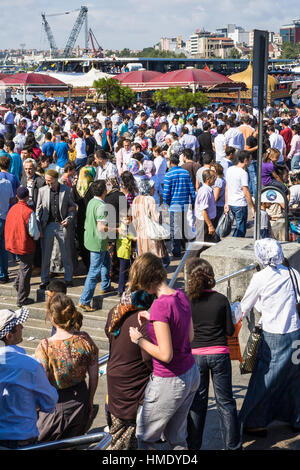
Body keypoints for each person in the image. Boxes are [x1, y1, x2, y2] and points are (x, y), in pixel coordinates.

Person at [128, 253, 200, 450]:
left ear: (146, 280)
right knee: (177, 438)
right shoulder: (181, 296)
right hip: (190, 373)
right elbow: (190, 336)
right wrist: (154, 318)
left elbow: (165, 355)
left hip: (170, 379)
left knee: (146, 437)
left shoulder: (160, 306)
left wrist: (139, 340)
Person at [239, 238, 300, 436]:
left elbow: (244, 306)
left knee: (264, 379)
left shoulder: (260, 278)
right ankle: (295, 418)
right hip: (294, 332)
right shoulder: (292, 273)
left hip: (272, 334)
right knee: (294, 378)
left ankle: (255, 421)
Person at [185, 258, 241, 450]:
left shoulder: (187, 301)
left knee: (197, 404)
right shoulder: (220, 299)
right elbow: (229, 331)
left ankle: (193, 447)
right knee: (225, 402)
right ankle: (232, 446)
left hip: (195, 356)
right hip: (219, 354)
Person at [34, 293, 99, 442]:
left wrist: (36, 408)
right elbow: (94, 376)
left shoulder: (45, 346)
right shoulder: (85, 339)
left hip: (55, 405)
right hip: (81, 399)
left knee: (44, 444)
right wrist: (89, 399)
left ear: (52, 317)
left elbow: (40, 382)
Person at [0, 307, 58, 449]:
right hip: (22, 439)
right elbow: (50, 402)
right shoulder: (30, 365)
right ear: (9, 335)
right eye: (19, 325)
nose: (22, 327)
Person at [105, 289, 154, 450]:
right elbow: (148, 358)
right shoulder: (143, 321)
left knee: (117, 429)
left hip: (115, 376)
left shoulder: (115, 311)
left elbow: (108, 332)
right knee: (127, 435)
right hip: (133, 381)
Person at [36, 169, 76, 290]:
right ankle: (44, 279)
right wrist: (39, 226)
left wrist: (69, 219)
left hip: (61, 225)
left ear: (56, 179)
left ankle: (68, 278)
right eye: (46, 181)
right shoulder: (42, 190)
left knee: (66, 253)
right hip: (47, 225)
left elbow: (73, 207)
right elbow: (38, 209)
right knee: (46, 254)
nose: (47, 183)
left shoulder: (67, 190)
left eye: (50, 181)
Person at [78, 180, 114, 312]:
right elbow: (101, 227)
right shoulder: (102, 206)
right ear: (104, 191)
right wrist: (117, 229)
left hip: (91, 239)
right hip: (98, 242)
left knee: (106, 261)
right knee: (94, 271)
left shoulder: (92, 202)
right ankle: (84, 300)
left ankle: (105, 285)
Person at [5, 186, 40, 307]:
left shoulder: (12, 208)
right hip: (25, 244)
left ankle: (17, 283)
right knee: (26, 270)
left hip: (13, 243)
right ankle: (22, 298)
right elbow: (33, 232)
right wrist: (37, 237)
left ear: (17, 196)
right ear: (27, 197)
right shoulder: (29, 211)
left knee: (23, 266)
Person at [163, 154, 195, 258]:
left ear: (170, 163)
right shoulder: (185, 173)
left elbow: (166, 193)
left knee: (175, 229)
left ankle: (176, 251)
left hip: (174, 206)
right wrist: (193, 202)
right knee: (183, 226)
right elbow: (191, 189)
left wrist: (166, 204)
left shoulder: (168, 175)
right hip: (184, 204)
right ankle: (184, 247)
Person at [132, 179, 169, 267]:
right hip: (151, 234)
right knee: (158, 260)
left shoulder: (136, 199)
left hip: (140, 233)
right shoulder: (150, 199)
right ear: (147, 188)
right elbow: (156, 218)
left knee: (144, 260)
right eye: (152, 188)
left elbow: (134, 217)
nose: (154, 190)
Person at [225, 150, 255, 238]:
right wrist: (252, 207)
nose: (251, 161)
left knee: (238, 228)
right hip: (240, 204)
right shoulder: (243, 173)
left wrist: (226, 203)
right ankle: (233, 247)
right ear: (245, 160)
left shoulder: (230, 169)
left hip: (231, 203)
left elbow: (227, 187)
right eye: (250, 159)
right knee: (241, 229)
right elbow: (246, 191)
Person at [194, 169, 217, 243]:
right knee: (200, 244)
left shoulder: (206, 190)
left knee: (207, 243)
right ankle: (191, 255)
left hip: (205, 221)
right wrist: (210, 225)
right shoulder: (205, 192)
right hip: (204, 222)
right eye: (214, 177)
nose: (215, 179)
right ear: (208, 179)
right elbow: (203, 210)